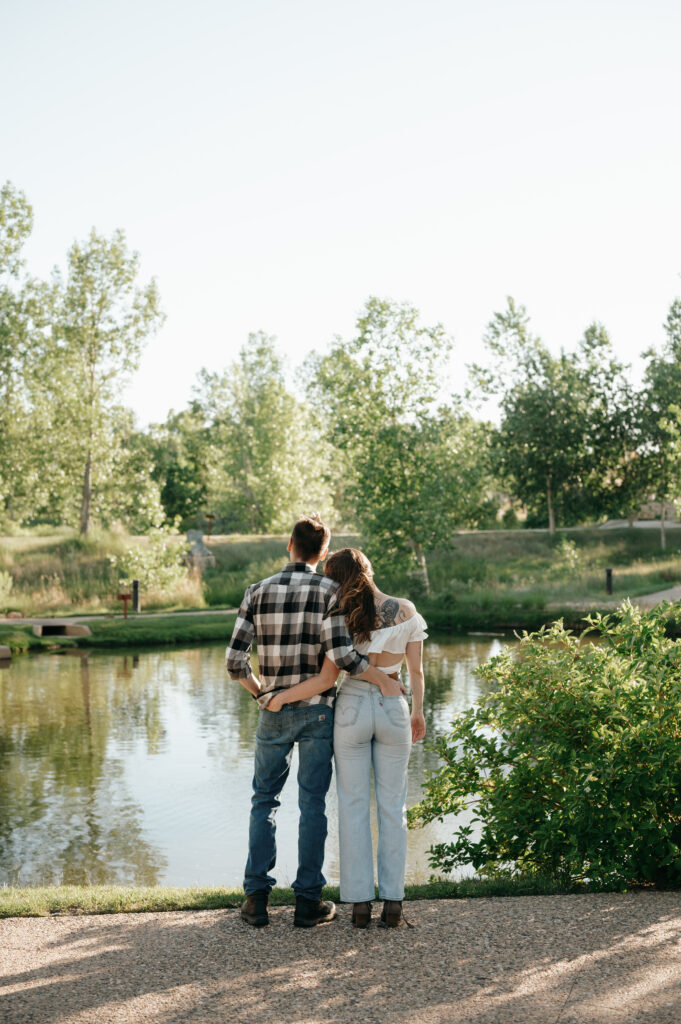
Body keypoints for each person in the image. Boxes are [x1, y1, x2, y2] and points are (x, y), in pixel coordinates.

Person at [226, 517, 402, 929]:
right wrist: (379, 676)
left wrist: (262, 695)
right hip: (320, 711)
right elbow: (341, 658)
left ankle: (256, 899)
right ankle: (308, 903)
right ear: (323, 552)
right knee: (312, 806)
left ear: (290, 544)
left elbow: (235, 662)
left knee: (263, 801)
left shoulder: (256, 591)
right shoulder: (330, 592)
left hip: (273, 712)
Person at [267, 547, 427, 928]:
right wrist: (417, 711)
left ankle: (358, 906)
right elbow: (417, 672)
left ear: (335, 578)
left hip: (352, 705)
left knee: (352, 806)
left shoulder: (339, 614)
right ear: (368, 569)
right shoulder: (405, 609)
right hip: (394, 705)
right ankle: (393, 905)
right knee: (393, 807)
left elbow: (330, 673)